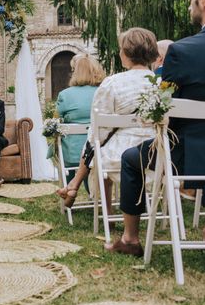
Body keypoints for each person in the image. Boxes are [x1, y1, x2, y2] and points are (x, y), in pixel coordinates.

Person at [107, 0, 205, 257]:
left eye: (190, 1)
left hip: (187, 156)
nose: (189, 7)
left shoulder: (182, 51)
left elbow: (164, 108)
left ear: (203, 0)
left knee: (131, 158)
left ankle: (131, 238)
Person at [56, 28, 158, 211]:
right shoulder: (160, 83)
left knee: (97, 152)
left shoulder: (113, 83)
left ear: (126, 53)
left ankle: (107, 212)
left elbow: (98, 130)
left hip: (118, 156)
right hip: (156, 154)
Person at [55, 54, 106, 181]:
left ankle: (69, 189)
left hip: (73, 153)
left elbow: (56, 119)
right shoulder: (104, 92)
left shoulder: (65, 95)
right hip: (101, 151)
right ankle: (93, 194)